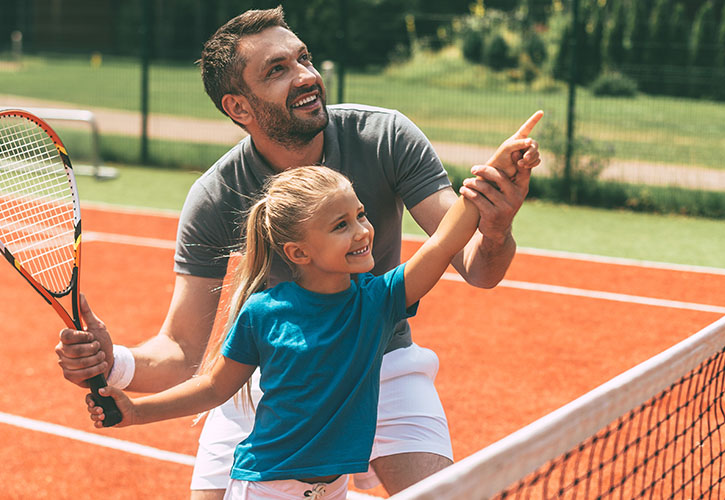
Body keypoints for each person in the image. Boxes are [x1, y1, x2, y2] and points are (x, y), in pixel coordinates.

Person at [56, 6, 542, 498]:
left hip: (382, 361)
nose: (307, 76)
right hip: (276, 379)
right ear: (239, 108)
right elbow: (183, 352)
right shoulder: (216, 196)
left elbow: (474, 265)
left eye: (303, 58)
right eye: (278, 70)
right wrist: (111, 363)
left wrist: (495, 224)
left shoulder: (385, 137)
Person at [89, 165, 488, 499]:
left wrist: (483, 186)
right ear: (299, 252)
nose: (363, 231)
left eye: (361, 215)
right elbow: (214, 387)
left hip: (330, 489)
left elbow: (440, 245)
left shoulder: (379, 299)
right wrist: (138, 412)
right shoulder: (263, 312)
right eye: (341, 225)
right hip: (266, 488)